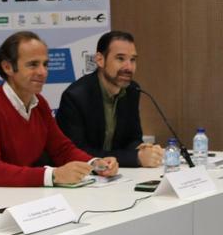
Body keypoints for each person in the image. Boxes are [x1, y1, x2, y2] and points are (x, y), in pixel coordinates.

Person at [0, 31, 119, 187]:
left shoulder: (39, 104)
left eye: (45, 64)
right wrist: (52, 176)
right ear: (8, 67)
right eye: (33, 64)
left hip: (22, 194)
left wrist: (95, 164)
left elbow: (61, 149)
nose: (43, 72)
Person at [56, 31, 163, 168]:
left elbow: (132, 138)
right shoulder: (75, 97)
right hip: (84, 174)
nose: (129, 67)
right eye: (120, 59)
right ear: (100, 60)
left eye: (132, 60)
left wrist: (142, 148)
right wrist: (135, 158)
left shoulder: (132, 90)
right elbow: (76, 152)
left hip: (118, 173)